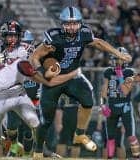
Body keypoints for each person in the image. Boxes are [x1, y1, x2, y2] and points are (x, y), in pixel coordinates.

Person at [29, 6, 132, 159]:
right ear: (62, 24)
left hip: (72, 76)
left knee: (88, 101)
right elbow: (35, 56)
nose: (71, 27)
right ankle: (38, 150)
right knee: (46, 120)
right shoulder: (55, 36)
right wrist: (43, 72)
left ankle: (80, 134)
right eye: (68, 24)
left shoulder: (84, 33)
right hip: (54, 79)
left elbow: (98, 43)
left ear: (80, 23)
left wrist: (117, 53)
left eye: (75, 23)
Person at [100, 47, 140, 159]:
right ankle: (110, 158)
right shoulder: (108, 71)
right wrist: (102, 104)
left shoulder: (129, 72)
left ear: (124, 60)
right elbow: (103, 91)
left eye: (119, 59)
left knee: (131, 136)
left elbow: (125, 91)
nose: (116, 61)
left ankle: (137, 157)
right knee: (110, 138)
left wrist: (120, 76)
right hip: (112, 106)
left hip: (125, 107)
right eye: (115, 58)